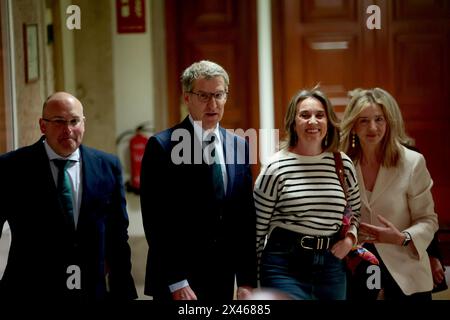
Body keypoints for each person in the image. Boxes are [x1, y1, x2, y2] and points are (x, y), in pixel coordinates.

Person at [0, 92, 137, 301]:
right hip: (28, 290)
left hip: (90, 289)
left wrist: (123, 293)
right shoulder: (11, 167)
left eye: (74, 121)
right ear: (42, 126)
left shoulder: (108, 166)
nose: (68, 130)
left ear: (84, 123)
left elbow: (117, 237)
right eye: (59, 122)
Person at [140, 60, 257, 301]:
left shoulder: (239, 145)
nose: (212, 104)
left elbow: (244, 217)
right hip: (178, 282)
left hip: (222, 278)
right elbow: (156, 220)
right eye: (203, 96)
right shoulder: (162, 146)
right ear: (187, 98)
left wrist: (246, 280)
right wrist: (176, 281)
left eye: (218, 95)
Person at [254, 86, 361, 300]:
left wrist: (350, 239)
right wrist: (253, 282)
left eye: (319, 115)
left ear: (328, 121)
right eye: (304, 115)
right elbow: (257, 230)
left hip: (332, 267)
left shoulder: (342, 164)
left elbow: (355, 212)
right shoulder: (276, 166)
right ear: (293, 123)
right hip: (284, 265)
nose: (313, 121)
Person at [340, 87, 439, 300]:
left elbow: (428, 220)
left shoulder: (412, 162)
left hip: (405, 272)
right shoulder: (341, 164)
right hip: (355, 272)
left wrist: (402, 238)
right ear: (353, 126)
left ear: (389, 122)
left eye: (379, 119)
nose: (372, 127)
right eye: (364, 120)